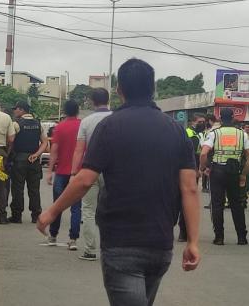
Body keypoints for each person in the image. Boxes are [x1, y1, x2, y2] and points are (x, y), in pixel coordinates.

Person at [37, 58, 201, 305]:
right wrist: (193, 242)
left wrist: (51, 212)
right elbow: (189, 188)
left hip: (121, 243)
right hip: (160, 245)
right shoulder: (176, 130)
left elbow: (84, 180)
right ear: (153, 88)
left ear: (120, 90)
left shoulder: (110, 126)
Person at [70, 88, 112, 260]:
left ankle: (90, 249)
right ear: (108, 100)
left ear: (93, 102)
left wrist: (74, 173)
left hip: (90, 168)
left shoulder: (86, 122)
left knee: (88, 210)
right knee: (112, 210)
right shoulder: (116, 118)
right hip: (113, 170)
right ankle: (110, 249)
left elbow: (79, 150)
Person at [200, 108, 249, 245]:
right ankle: (241, 237)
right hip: (235, 172)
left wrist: (204, 168)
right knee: (237, 204)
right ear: (233, 117)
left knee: (217, 204)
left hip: (218, 171)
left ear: (220, 118)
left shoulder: (214, 133)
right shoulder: (242, 134)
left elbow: (203, 154)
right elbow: (248, 157)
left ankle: (219, 238)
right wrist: (243, 175)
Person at [45, 100, 82, 249]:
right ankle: (73, 239)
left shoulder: (59, 128)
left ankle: (53, 235)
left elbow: (54, 151)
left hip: (61, 172)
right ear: (78, 110)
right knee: (76, 207)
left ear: (65, 111)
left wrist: (49, 171)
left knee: (58, 205)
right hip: (77, 172)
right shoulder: (82, 126)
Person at [9, 101, 48, 224]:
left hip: (20, 158)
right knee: (34, 189)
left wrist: (8, 153)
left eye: (16, 109)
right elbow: (45, 142)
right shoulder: (38, 124)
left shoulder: (16, 124)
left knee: (18, 188)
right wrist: (37, 154)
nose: (14, 111)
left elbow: (11, 140)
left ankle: (17, 215)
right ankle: (36, 215)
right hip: (34, 160)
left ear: (22, 110)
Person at [177, 113, 206, 242]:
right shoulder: (189, 133)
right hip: (189, 170)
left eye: (204, 121)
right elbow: (191, 156)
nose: (203, 124)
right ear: (193, 122)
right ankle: (183, 232)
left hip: (192, 169)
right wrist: (196, 170)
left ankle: (185, 232)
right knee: (187, 200)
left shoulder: (198, 134)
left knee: (186, 200)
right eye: (200, 121)